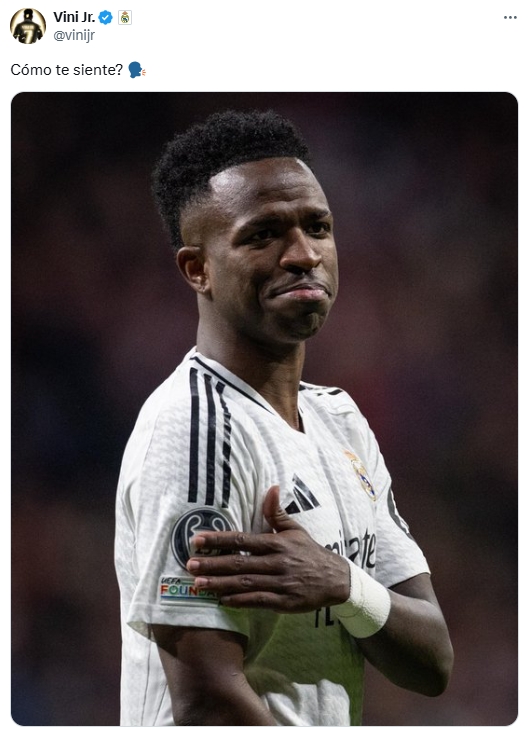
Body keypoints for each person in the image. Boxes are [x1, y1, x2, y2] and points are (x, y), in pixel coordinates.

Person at [114, 109, 454, 726]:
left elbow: (432, 661)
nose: (303, 254)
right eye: (263, 235)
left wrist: (343, 583)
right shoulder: (197, 428)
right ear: (198, 269)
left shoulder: (339, 420)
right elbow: (205, 703)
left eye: (317, 227)